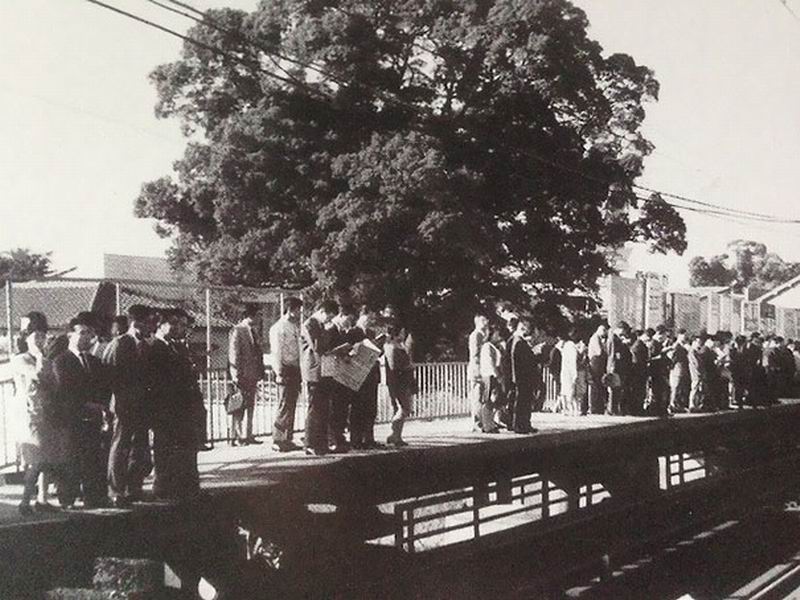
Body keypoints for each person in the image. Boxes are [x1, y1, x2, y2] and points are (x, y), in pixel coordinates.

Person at [50, 313, 110, 509]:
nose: (86, 337)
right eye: (82, 332)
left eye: (89, 333)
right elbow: (65, 390)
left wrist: (100, 405)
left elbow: (103, 388)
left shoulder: (94, 362)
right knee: (71, 458)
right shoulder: (62, 361)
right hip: (70, 418)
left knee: (93, 457)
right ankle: (67, 498)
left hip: (92, 418)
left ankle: (94, 497)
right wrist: (85, 404)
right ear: (70, 335)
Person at [103, 304, 157, 508]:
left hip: (141, 405)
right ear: (136, 323)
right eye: (148, 322)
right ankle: (116, 490)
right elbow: (111, 376)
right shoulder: (120, 344)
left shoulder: (145, 345)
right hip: (124, 405)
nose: (151, 327)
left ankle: (134, 487)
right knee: (120, 446)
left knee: (139, 447)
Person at [148, 308, 203, 501]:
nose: (179, 328)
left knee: (186, 446)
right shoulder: (154, 347)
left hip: (183, 407)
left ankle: (187, 486)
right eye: (173, 323)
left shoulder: (178, 346)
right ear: (160, 325)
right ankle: (163, 487)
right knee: (165, 448)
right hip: (166, 408)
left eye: (182, 324)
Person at [11, 313, 62, 515]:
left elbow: (54, 382)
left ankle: (42, 499)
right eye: (36, 337)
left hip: (46, 411)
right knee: (37, 459)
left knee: (47, 456)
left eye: (42, 336)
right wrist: (40, 355)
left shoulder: (44, 359)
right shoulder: (21, 359)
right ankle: (25, 500)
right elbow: (39, 376)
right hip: (30, 414)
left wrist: (43, 357)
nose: (40, 341)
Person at [300, 300, 338, 456]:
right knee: (315, 408)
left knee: (324, 408)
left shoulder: (321, 325)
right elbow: (317, 346)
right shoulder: (309, 324)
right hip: (314, 371)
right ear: (322, 311)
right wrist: (328, 332)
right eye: (328, 317)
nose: (329, 321)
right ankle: (310, 442)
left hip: (324, 370)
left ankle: (321, 442)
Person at [228, 304, 265, 446]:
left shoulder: (254, 331)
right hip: (242, 374)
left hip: (253, 374)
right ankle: (237, 437)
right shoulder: (238, 330)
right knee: (239, 406)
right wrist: (235, 374)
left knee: (250, 405)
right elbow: (234, 353)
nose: (260, 318)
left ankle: (248, 434)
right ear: (250, 315)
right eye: (258, 315)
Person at [269, 297, 303, 453]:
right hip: (285, 368)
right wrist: (278, 372)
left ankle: (287, 437)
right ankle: (278, 438)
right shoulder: (279, 327)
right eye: (297, 310)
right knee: (284, 404)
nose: (298, 313)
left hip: (295, 368)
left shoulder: (294, 327)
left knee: (291, 404)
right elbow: (276, 351)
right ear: (290, 309)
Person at [349, 305, 383, 449]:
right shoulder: (353, 332)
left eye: (371, 319)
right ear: (360, 317)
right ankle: (356, 439)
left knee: (371, 407)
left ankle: (369, 438)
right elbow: (349, 350)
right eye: (367, 318)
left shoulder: (370, 332)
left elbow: (377, 352)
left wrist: (377, 346)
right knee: (358, 407)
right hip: (359, 372)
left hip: (372, 372)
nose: (369, 321)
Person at [328, 305, 358, 453]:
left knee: (341, 407)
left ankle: (339, 436)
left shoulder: (341, 331)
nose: (349, 324)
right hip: (334, 373)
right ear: (340, 316)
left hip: (342, 373)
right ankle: (333, 437)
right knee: (335, 407)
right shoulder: (331, 329)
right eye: (348, 319)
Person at [385, 325, 415, 446]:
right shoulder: (391, 347)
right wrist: (408, 366)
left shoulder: (399, 345)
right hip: (397, 380)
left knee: (404, 408)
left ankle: (397, 435)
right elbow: (393, 366)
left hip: (403, 379)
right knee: (403, 408)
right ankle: (394, 434)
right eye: (402, 332)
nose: (404, 335)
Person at [509, 319, 536, 434]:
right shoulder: (519, 342)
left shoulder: (517, 341)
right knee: (522, 401)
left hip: (522, 377)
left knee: (524, 401)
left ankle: (524, 424)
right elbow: (519, 362)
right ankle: (520, 425)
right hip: (523, 377)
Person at [478, 327, 504, 433]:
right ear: (491, 335)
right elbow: (490, 363)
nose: (498, 337)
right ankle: (487, 425)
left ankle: (490, 423)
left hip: (492, 375)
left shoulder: (493, 346)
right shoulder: (487, 346)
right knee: (488, 400)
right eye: (496, 335)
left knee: (493, 400)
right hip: (489, 375)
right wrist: (497, 375)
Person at [468, 314, 489, 431]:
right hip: (477, 369)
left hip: (481, 368)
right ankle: (476, 422)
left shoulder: (482, 335)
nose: (486, 322)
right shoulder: (476, 335)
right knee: (477, 397)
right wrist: (480, 370)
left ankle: (480, 421)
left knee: (481, 396)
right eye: (483, 320)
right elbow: (475, 354)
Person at [605, 322, 632, 415]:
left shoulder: (616, 338)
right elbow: (612, 354)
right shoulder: (613, 339)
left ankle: (614, 409)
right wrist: (612, 367)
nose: (624, 333)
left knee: (616, 389)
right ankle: (612, 409)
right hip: (615, 366)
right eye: (624, 330)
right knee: (614, 388)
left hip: (617, 366)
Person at [667, 329, 690, 414]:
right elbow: (671, 356)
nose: (686, 337)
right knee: (675, 387)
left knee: (680, 388)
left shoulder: (683, 345)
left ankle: (678, 405)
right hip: (677, 369)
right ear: (680, 335)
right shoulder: (676, 345)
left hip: (682, 369)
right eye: (684, 335)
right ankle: (673, 405)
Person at [587, 323, 608, 415]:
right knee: (596, 385)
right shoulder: (595, 338)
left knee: (599, 385)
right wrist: (605, 349)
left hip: (597, 362)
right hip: (596, 363)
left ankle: (598, 406)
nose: (605, 333)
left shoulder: (597, 338)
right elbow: (599, 352)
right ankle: (594, 407)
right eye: (604, 331)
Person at [628, 330, 650, 416]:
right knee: (639, 390)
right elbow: (638, 359)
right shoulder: (638, 345)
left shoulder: (639, 344)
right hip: (639, 371)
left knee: (639, 390)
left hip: (639, 371)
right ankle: (637, 409)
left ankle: (638, 408)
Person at [728, 335, 751, 409]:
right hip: (737, 371)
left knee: (740, 386)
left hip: (742, 371)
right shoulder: (733, 350)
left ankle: (739, 400)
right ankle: (737, 400)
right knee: (737, 385)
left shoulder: (745, 350)